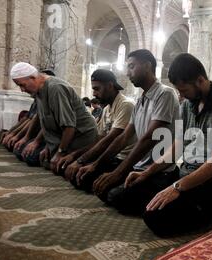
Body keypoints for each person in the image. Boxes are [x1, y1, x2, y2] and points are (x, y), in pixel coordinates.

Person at [120, 53, 212, 236]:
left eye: (184, 91)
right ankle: (194, 204)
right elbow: (176, 147)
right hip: (185, 174)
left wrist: (177, 187)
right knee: (123, 196)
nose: (181, 95)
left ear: (200, 81)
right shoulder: (187, 106)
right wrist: (146, 173)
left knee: (155, 217)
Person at [76, 49, 180, 201]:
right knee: (87, 179)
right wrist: (95, 165)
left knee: (114, 196)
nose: (127, 73)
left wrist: (118, 172)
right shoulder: (141, 100)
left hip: (158, 170)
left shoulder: (165, 94)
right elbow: (124, 136)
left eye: (132, 66)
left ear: (147, 66)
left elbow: (149, 138)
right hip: (138, 166)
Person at [10, 62, 98, 172]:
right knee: (21, 151)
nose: (22, 90)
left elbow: (69, 127)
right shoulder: (38, 90)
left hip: (79, 137)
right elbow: (44, 118)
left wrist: (60, 153)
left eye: (22, 85)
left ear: (33, 78)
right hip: (60, 138)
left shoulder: (55, 88)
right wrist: (43, 143)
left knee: (36, 158)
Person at [62, 69, 136, 191]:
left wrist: (83, 162)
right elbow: (99, 140)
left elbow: (111, 139)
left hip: (123, 159)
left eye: (97, 89)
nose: (94, 94)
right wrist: (74, 156)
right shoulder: (107, 109)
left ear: (110, 86)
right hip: (111, 156)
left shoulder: (126, 105)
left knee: (83, 178)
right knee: (70, 169)